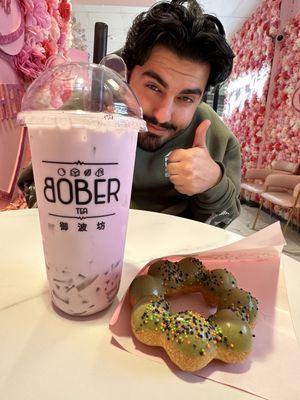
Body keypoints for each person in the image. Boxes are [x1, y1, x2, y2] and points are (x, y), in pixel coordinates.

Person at [18, 0, 241, 228]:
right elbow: (32, 184)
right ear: (127, 74)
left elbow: (225, 219)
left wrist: (214, 182)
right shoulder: (84, 109)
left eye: (185, 98)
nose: (163, 115)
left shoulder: (217, 138)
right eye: (153, 87)